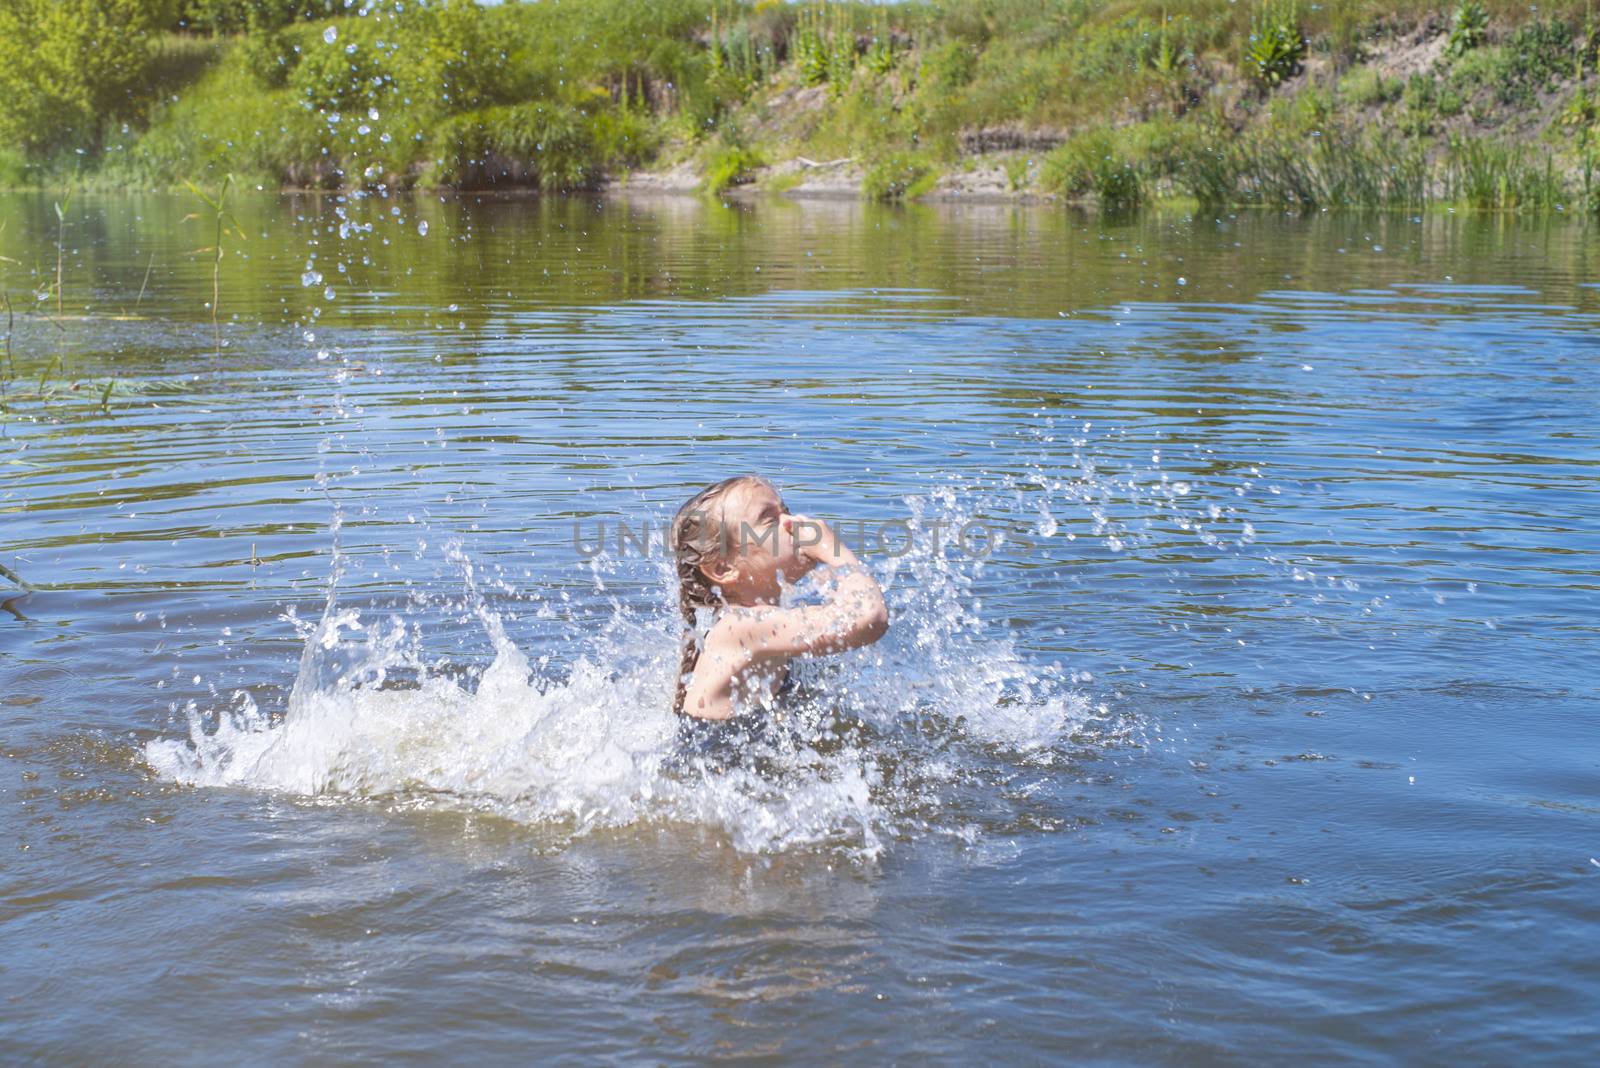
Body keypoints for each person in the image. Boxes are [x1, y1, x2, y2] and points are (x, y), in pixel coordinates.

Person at [669, 476, 888, 735]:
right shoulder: (741, 626)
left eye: (787, 511)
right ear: (722, 567)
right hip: (712, 759)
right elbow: (869, 616)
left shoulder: (758, 621)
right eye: (771, 519)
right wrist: (834, 553)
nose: (794, 523)